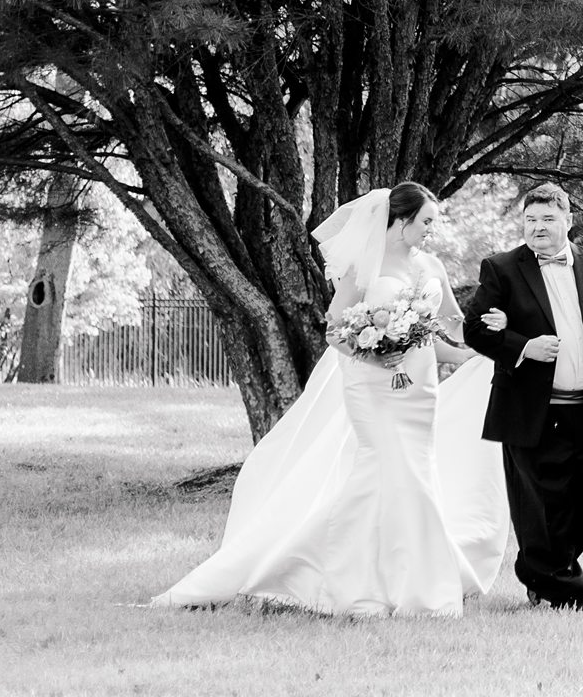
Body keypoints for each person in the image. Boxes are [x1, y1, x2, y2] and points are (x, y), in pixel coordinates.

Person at [153, 182, 510, 618]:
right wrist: (373, 352)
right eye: (427, 222)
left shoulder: (433, 265)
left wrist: (481, 349)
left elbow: (448, 331)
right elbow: (335, 330)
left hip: (418, 391)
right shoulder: (364, 265)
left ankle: (414, 582)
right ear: (401, 221)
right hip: (371, 387)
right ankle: (338, 579)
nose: (433, 230)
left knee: (415, 476)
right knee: (382, 472)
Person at [462, 184, 583, 610]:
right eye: (531, 220)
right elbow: (474, 330)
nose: (538, 228)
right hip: (533, 411)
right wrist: (523, 346)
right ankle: (566, 593)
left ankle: (541, 569)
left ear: (568, 222)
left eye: (547, 220)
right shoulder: (501, 268)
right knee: (541, 506)